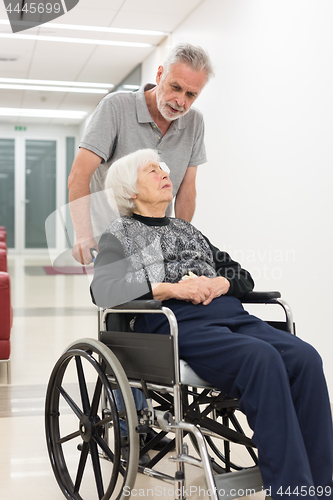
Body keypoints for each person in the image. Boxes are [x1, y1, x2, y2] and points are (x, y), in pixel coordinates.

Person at [91, 148, 333, 500]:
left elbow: (241, 275)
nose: (164, 173)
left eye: (163, 167)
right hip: (176, 323)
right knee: (260, 359)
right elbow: (104, 289)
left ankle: (321, 485)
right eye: (152, 170)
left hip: (231, 314)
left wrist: (222, 283)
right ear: (130, 191)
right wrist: (171, 287)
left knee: (306, 358)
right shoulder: (120, 234)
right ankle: (291, 492)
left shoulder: (187, 229)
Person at [68, 42, 214, 265]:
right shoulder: (115, 107)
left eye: (191, 94)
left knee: (169, 297)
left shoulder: (194, 122)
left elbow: (187, 188)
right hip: (110, 242)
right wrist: (83, 235)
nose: (181, 102)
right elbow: (79, 175)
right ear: (159, 75)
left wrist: (182, 240)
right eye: (175, 87)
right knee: (121, 298)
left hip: (158, 242)